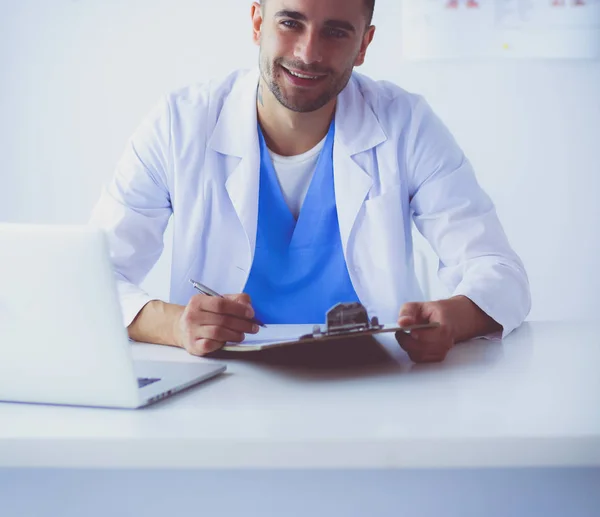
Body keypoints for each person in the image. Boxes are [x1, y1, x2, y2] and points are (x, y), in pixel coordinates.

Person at [90, 0, 531, 363]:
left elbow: (499, 271)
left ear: (364, 45)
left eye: (336, 32)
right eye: (290, 22)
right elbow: (92, 278)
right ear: (257, 21)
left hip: (378, 392)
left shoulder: (406, 125)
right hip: (221, 390)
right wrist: (174, 324)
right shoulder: (178, 126)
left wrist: (451, 319)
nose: (308, 53)